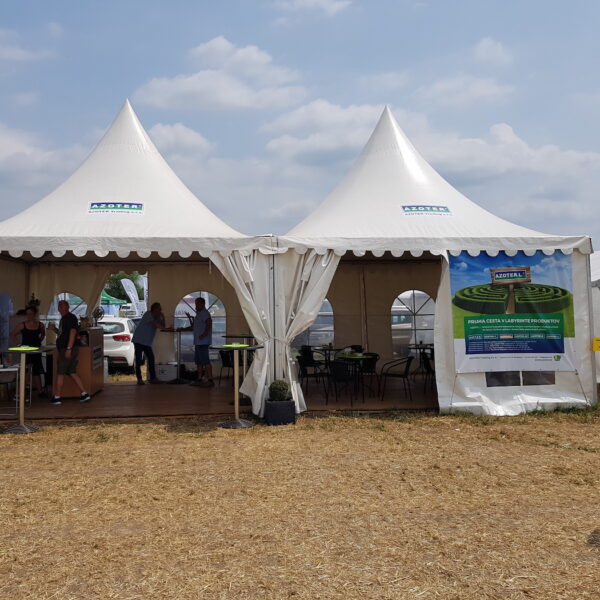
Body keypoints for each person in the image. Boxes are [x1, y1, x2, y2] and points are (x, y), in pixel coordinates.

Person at [51, 300, 90, 405]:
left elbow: (73, 332)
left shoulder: (69, 317)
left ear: (67, 307)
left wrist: (69, 348)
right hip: (68, 348)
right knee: (71, 371)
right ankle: (84, 393)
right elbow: (63, 333)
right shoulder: (64, 319)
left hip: (67, 348)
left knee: (60, 373)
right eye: (59, 305)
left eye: (62, 305)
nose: (60, 307)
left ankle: (57, 396)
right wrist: (55, 329)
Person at [10, 305, 48, 396]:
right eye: (27, 314)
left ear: (35, 314)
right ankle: (19, 393)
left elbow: (43, 334)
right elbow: (13, 334)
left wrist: (38, 342)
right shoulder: (22, 325)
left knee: (36, 371)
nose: (29, 315)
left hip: (36, 351)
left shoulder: (40, 325)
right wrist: (19, 345)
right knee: (24, 371)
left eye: (31, 313)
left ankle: (40, 391)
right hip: (25, 351)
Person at [132, 302, 169, 385]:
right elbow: (156, 325)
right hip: (139, 340)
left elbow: (162, 326)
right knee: (138, 360)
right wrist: (166, 329)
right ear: (155, 309)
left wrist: (163, 317)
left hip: (146, 342)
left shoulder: (158, 316)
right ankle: (139, 379)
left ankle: (153, 378)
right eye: (159, 309)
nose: (161, 310)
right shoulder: (148, 314)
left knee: (151, 359)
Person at [181, 297, 214, 387]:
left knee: (206, 361)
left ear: (202, 304)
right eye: (196, 304)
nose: (196, 306)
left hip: (203, 342)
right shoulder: (198, 314)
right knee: (199, 362)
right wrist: (189, 320)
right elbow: (193, 327)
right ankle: (199, 379)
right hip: (198, 342)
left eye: (197, 304)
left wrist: (204, 334)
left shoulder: (205, 313)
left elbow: (209, 323)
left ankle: (210, 380)